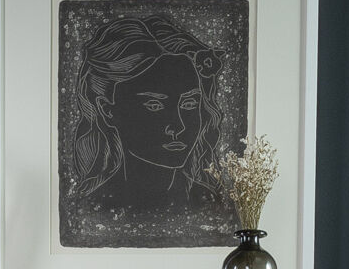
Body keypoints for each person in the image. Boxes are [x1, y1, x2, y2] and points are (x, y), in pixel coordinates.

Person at [63, 15, 239, 248]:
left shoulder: (213, 205)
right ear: (107, 110)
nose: (178, 126)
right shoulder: (87, 210)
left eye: (188, 104)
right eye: (154, 105)